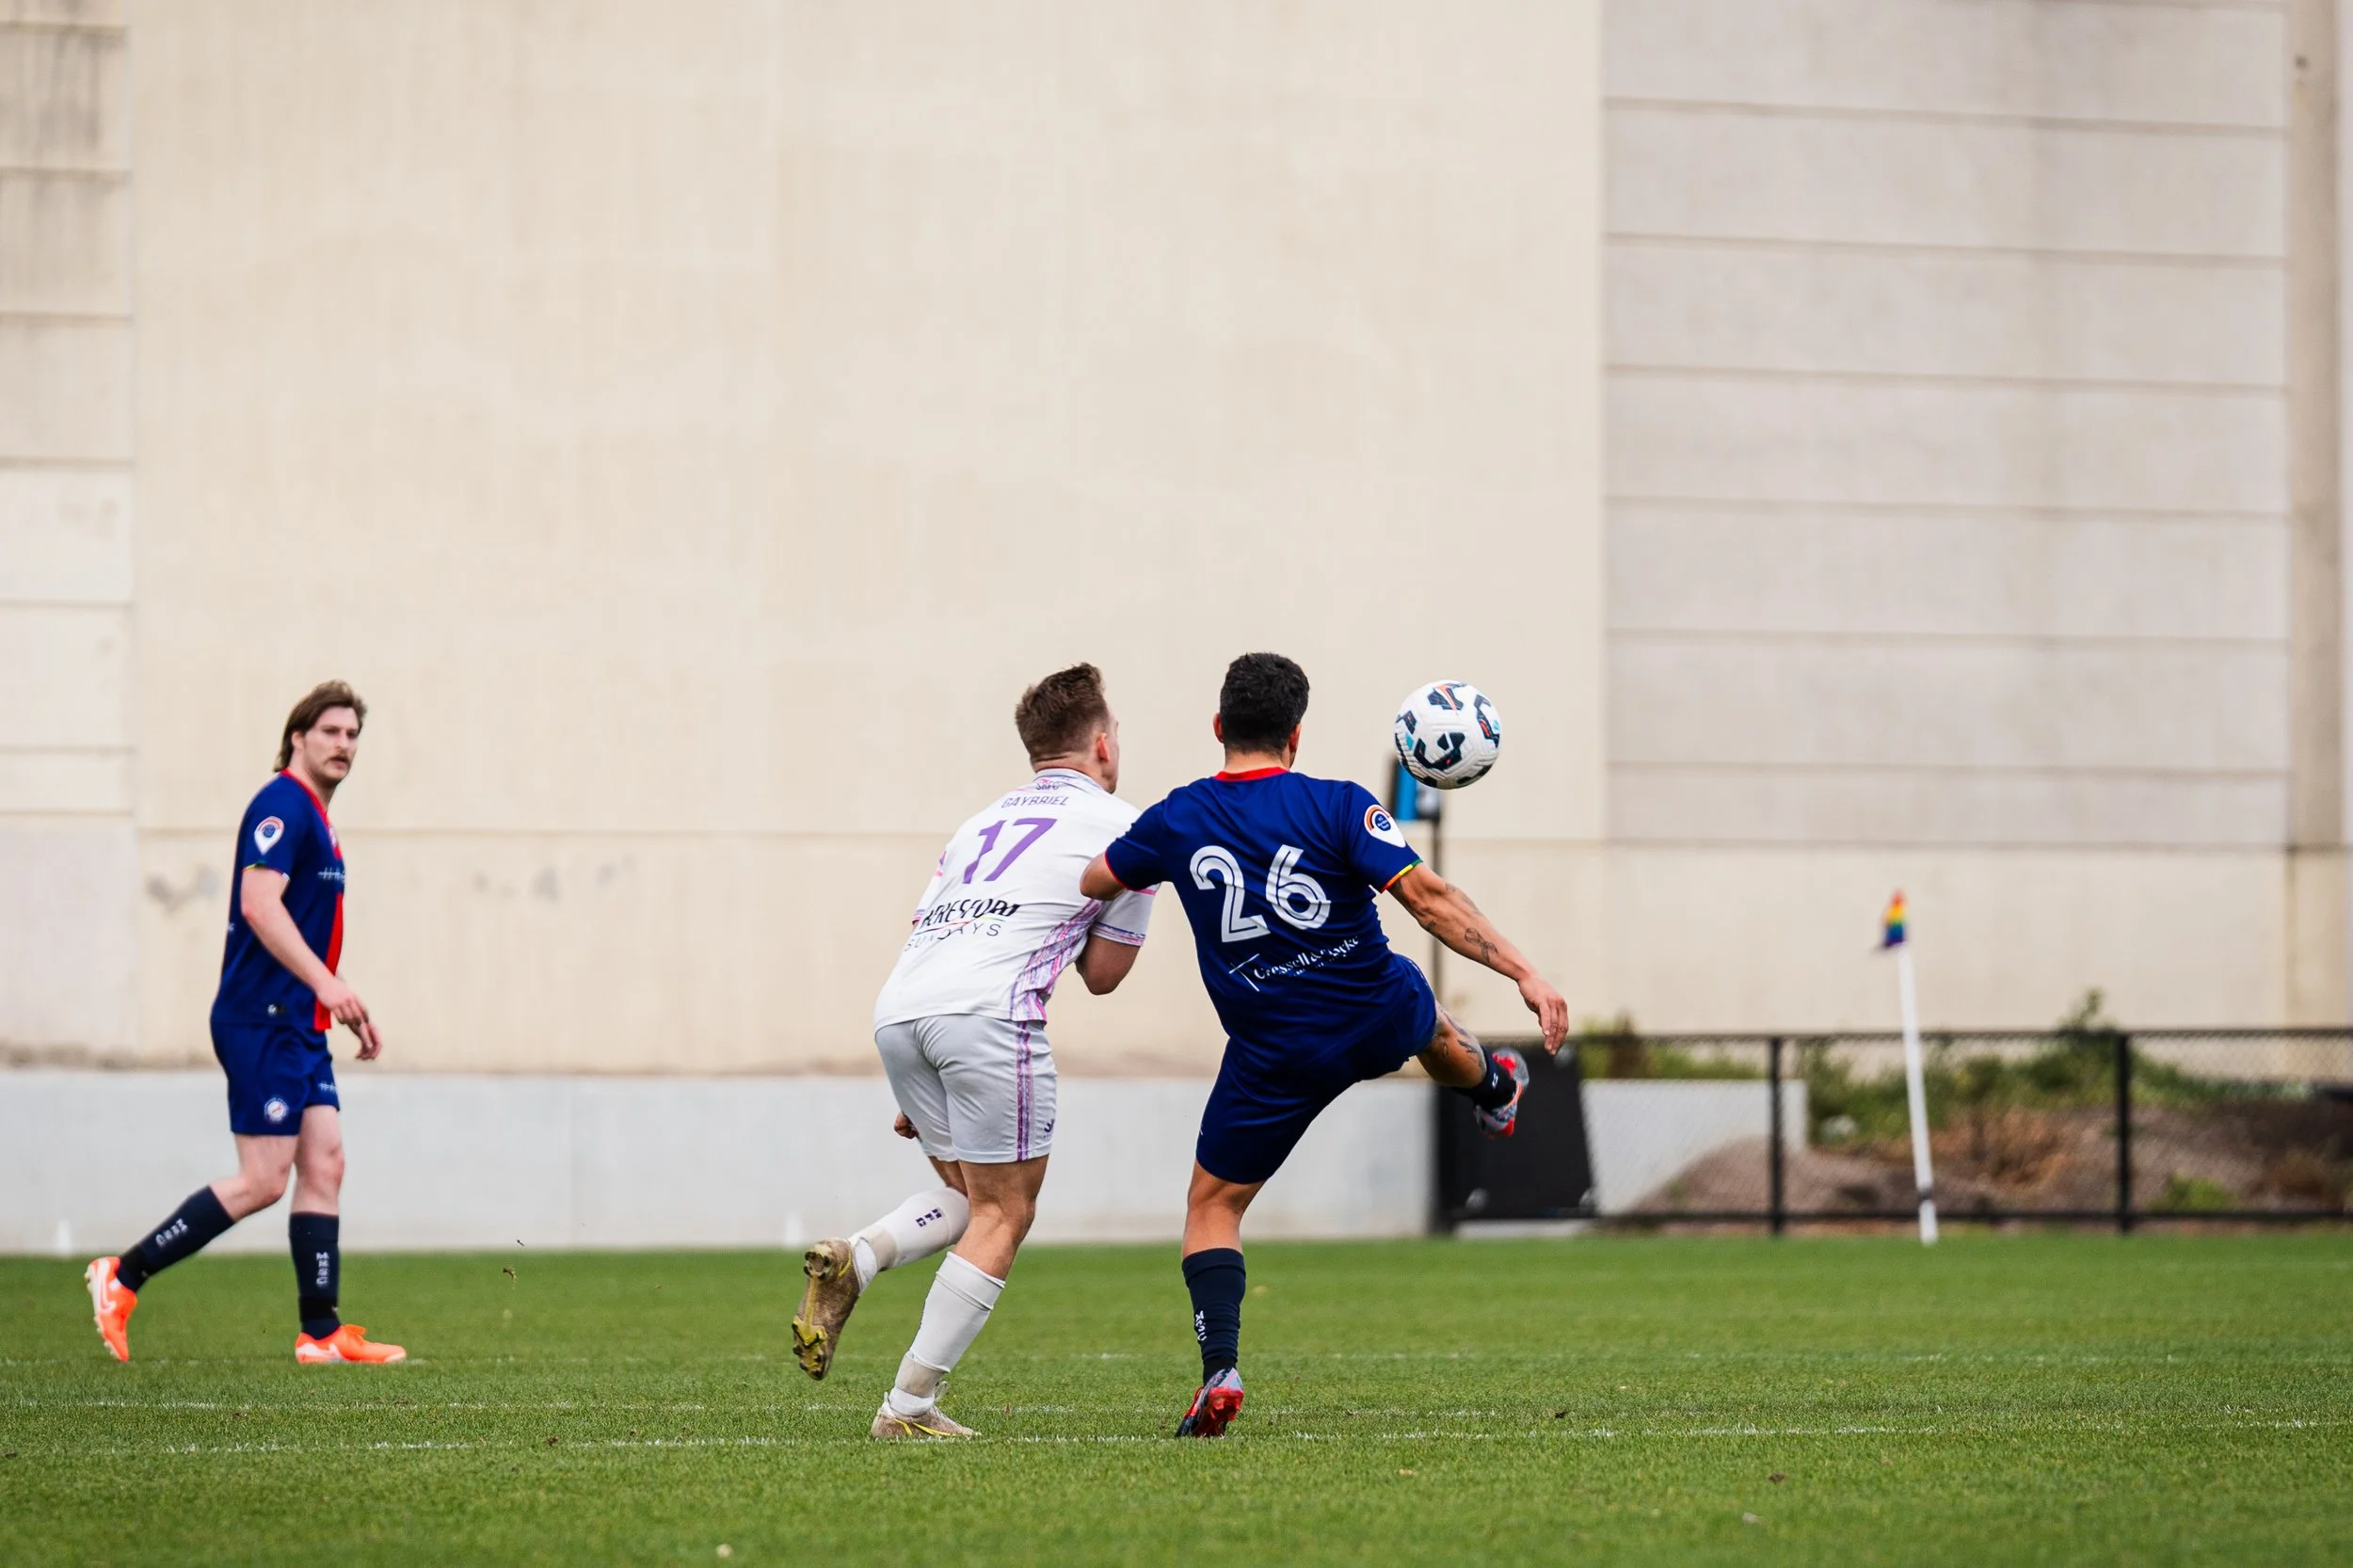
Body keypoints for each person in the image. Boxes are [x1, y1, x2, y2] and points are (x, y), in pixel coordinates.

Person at [1079, 651, 1569, 1437]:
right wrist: (1526, 973)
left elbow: (1097, 879)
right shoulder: (1338, 804)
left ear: (1217, 727)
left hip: (1274, 1050)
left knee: (1212, 1207)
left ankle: (1222, 1370)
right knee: (1432, 1019)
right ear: (1296, 736)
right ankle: (1495, 1091)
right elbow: (1429, 901)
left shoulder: (1175, 819)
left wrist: (1139, 856)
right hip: (1369, 1010)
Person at [792, 664, 1156, 1438]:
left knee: (968, 1200)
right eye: (1116, 732)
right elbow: (1103, 976)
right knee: (1006, 1212)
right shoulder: (1128, 826)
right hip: (988, 1015)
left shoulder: (977, 825)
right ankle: (909, 1405)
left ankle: (859, 1255)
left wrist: (919, 1075)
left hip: (903, 1010)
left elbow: (937, 930)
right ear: (1101, 743)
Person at [85, 681, 404, 1366]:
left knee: (326, 1162)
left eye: (353, 736)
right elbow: (260, 906)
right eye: (332, 733)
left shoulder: (316, 815)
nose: (344, 745)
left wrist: (329, 1005)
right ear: (299, 737)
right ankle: (123, 1275)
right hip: (261, 1020)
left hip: (298, 1020)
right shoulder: (283, 803)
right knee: (263, 1179)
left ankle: (320, 1333)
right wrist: (327, 983)